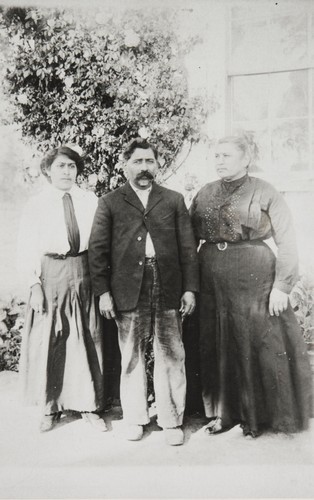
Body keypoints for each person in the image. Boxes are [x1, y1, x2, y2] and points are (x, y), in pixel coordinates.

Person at [190, 135, 312, 438]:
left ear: (246, 159)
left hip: (254, 277)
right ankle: (223, 413)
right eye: (215, 155)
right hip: (212, 279)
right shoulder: (204, 193)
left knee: (254, 343)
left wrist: (282, 287)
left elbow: (287, 242)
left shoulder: (265, 191)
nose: (219, 161)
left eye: (227, 155)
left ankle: (259, 415)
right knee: (218, 343)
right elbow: (188, 240)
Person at [88, 138, 199, 446]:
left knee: (171, 353)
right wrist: (103, 292)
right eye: (138, 162)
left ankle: (171, 421)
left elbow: (188, 249)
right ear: (126, 166)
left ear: (157, 165)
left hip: (168, 285)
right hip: (127, 288)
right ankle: (136, 418)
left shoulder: (173, 200)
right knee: (132, 356)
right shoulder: (110, 202)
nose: (145, 167)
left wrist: (190, 288)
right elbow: (97, 251)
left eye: (149, 161)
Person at [18, 146, 107, 432]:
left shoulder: (88, 200)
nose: (67, 172)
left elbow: (100, 241)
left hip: (83, 270)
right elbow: (25, 247)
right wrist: (34, 285)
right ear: (49, 170)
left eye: (71, 166)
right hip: (51, 273)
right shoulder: (36, 204)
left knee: (87, 337)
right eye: (60, 166)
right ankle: (50, 407)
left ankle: (89, 405)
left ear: (77, 170)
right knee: (53, 338)